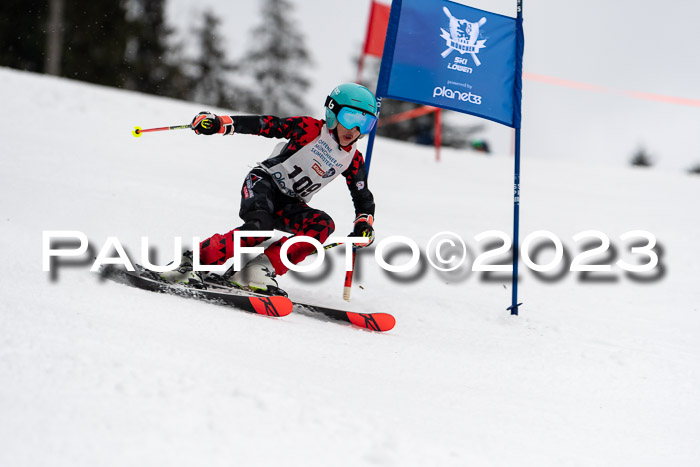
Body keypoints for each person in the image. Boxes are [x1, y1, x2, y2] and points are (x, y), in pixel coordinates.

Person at [158, 83, 378, 295]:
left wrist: (364, 223)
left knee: (322, 225)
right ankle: (189, 262)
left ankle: (257, 270)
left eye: (365, 123)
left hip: (290, 202)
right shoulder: (310, 129)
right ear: (332, 113)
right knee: (259, 228)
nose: (355, 129)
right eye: (350, 118)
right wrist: (222, 123)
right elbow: (267, 125)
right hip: (263, 183)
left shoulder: (353, 159)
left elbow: (362, 196)